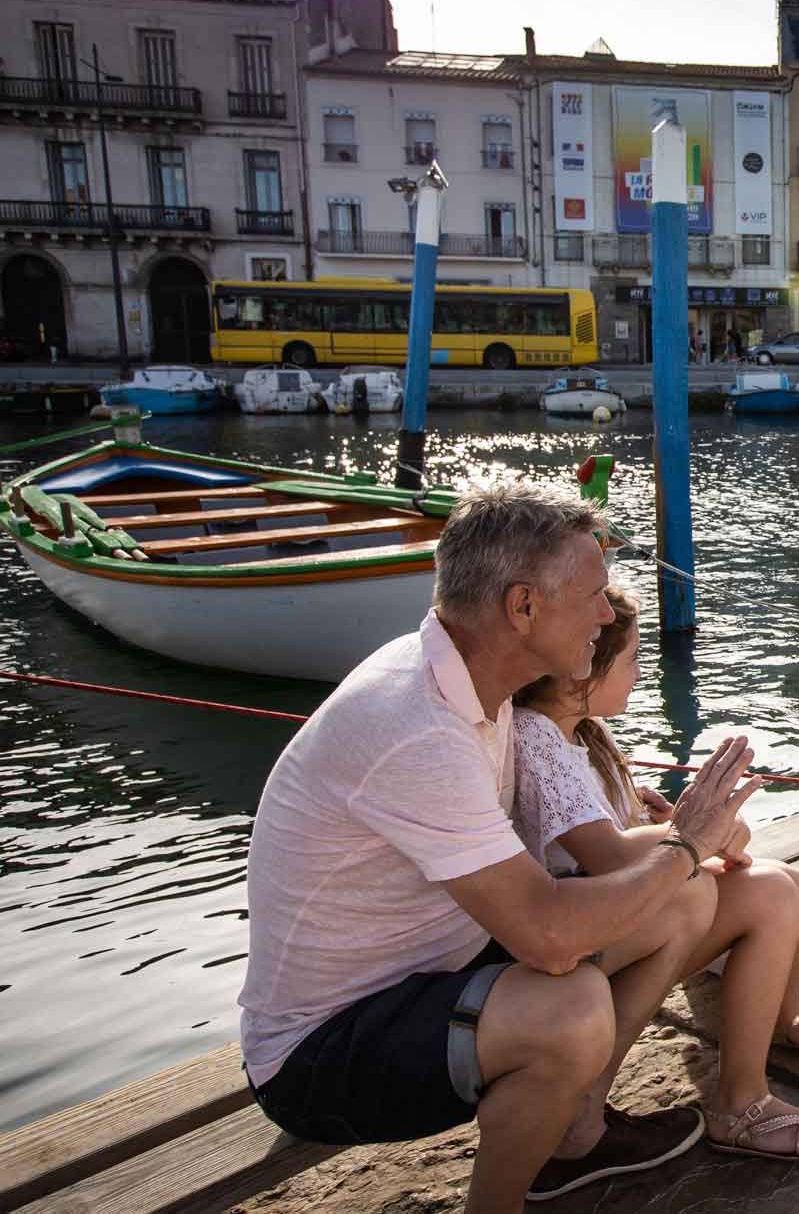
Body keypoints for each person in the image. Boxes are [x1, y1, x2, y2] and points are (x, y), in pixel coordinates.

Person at [239, 485, 763, 1211]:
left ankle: (575, 1127)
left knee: (683, 900)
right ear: (523, 608)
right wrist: (683, 843)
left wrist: (672, 852)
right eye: (593, 595)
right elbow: (547, 937)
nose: (608, 614)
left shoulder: (485, 685)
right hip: (322, 1048)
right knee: (572, 1006)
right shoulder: (418, 724)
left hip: (436, 967)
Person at [511, 583, 799, 1161]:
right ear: (585, 672)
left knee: (789, 884)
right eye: (631, 660)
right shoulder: (536, 738)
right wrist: (698, 834)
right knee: (773, 892)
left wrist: (685, 830)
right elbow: (607, 856)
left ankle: (785, 1015)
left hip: (624, 911)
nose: (640, 671)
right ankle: (741, 1102)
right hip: (583, 930)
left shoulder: (585, 735)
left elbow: (626, 841)